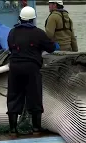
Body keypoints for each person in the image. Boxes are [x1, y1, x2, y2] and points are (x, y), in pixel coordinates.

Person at [6, 6, 58, 136]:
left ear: (20, 19)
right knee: (34, 96)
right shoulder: (38, 33)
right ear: (33, 19)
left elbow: (10, 48)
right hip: (31, 68)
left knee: (14, 96)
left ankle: (12, 129)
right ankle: (36, 128)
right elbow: (51, 48)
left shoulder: (12, 32)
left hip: (15, 67)